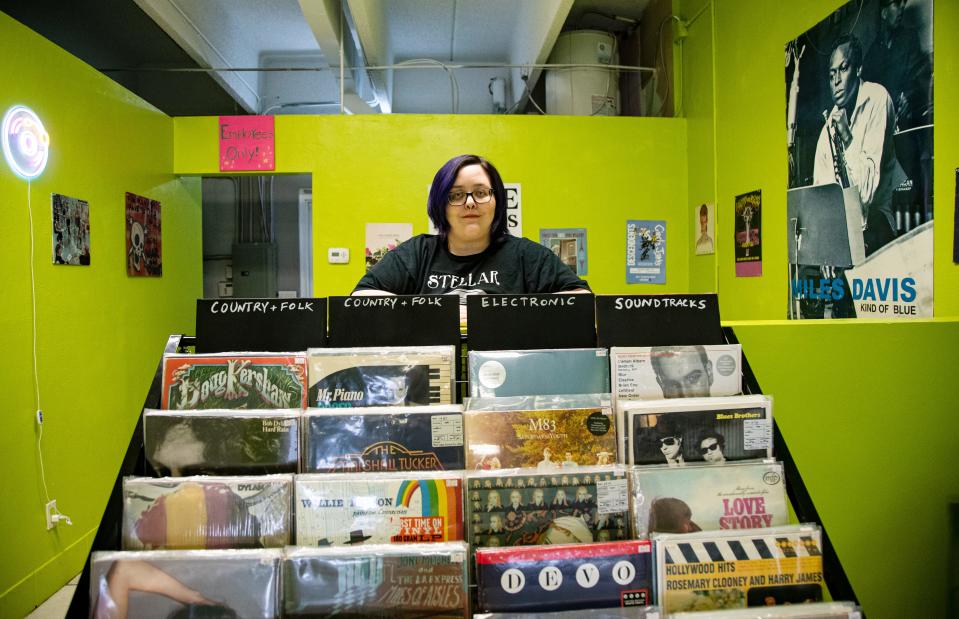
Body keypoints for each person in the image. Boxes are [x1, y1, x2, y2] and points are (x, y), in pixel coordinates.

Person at [352, 154, 590, 318]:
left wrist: (501, 313)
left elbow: (583, 299)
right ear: (440, 205)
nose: (469, 203)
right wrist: (437, 311)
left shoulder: (526, 255)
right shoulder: (417, 253)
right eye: (455, 195)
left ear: (497, 201)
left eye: (480, 192)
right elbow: (361, 297)